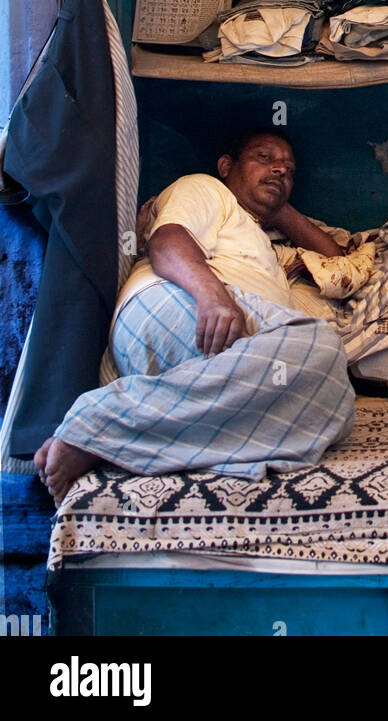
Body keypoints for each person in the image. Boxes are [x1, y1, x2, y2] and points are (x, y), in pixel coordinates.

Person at [34, 130, 355, 504]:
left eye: (289, 169)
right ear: (225, 167)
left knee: (333, 408)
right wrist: (213, 297)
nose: (280, 169)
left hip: (217, 362)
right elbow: (167, 241)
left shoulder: (264, 244)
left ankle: (111, 432)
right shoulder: (205, 189)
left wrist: (278, 209)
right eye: (265, 158)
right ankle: (98, 423)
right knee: (324, 351)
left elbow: (338, 259)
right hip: (184, 303)